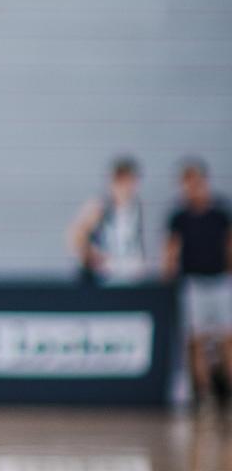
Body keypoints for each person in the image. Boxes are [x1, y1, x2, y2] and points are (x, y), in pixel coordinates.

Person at [163, 158, 232, 407]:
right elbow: (171, 249)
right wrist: (168, 272)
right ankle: (205, 395)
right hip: (193, 284)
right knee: (198, 340)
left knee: (226, 337)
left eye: (195, 182)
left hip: (221, 281)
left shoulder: (220, 213)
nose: (191, 188)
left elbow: (228, 244)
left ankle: (227, 390)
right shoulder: (179, 216)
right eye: (186, 183)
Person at [68, 156, 148, 286]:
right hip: (103, 278)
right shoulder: (99, 206)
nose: (126, 186)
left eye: (130, 181)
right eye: (121, 181)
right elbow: (75, 236)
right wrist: (91, 255)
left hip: (129, 277)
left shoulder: (136, 207)